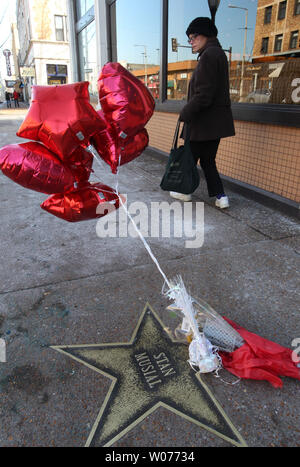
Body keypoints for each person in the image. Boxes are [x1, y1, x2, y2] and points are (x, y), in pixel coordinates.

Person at [170, 17, 235, 209]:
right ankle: (221, 197)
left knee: (190, 158)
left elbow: (204, 95)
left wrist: (185, 112)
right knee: (208, 160)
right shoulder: (219, 54)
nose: (191, 41)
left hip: (202, 123)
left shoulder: (209, 56)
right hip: (215, 124)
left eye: (193, 37)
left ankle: (184, 191)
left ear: (206, 35)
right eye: (189, 38)